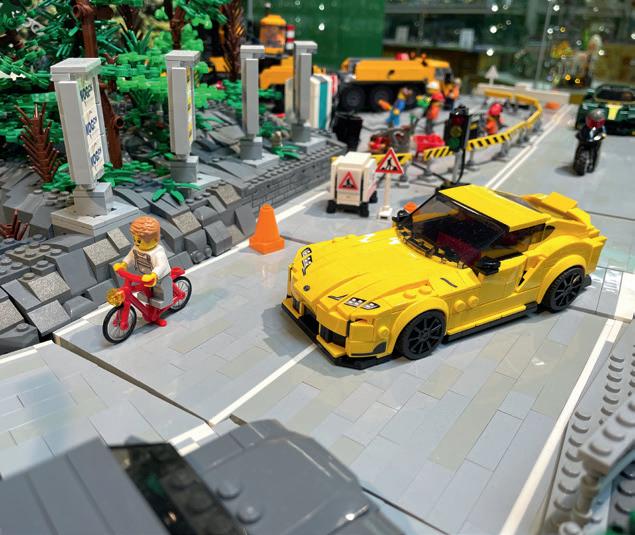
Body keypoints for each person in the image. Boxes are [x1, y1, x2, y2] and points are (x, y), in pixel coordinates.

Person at [114, 216, 172, 324]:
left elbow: (161, 265)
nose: (137, 243)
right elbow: (130, 257)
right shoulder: (137, 248)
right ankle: (151, 310)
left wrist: (154, 275)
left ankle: (156, 313)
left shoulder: (158, 252)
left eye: (140, 240)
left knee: (160, 296)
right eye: (135, 239)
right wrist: (123, 264)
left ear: (155, 240)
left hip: (159, 278)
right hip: (143, 276)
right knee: (144, 294)